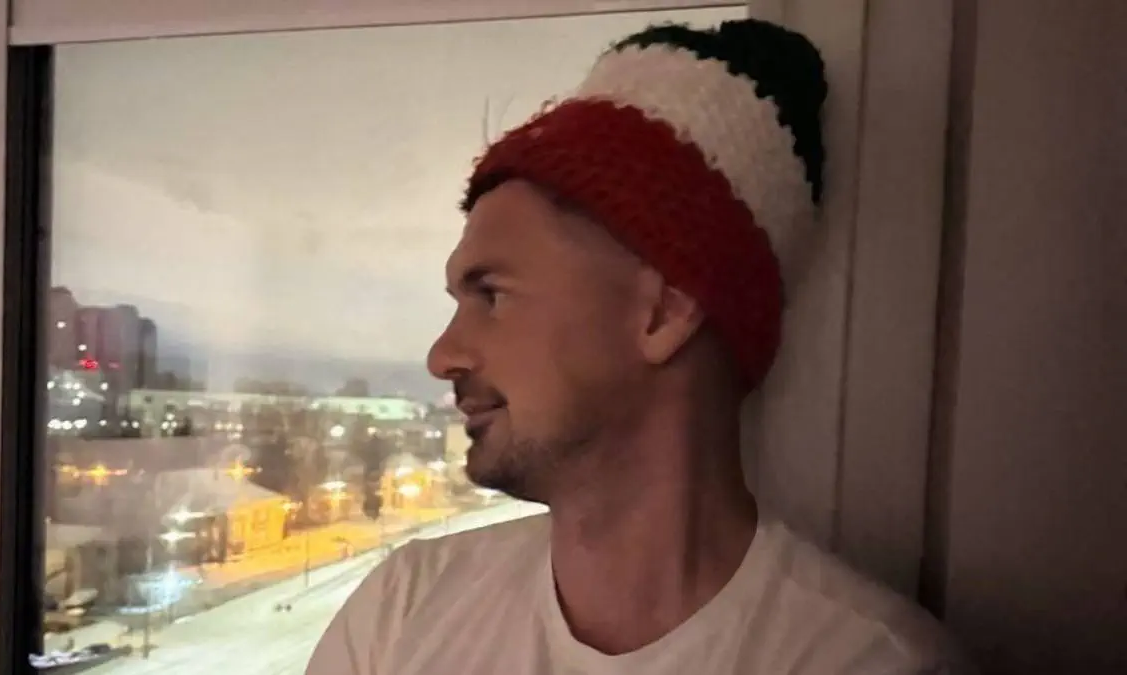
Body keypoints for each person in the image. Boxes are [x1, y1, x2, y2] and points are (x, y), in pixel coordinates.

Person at [307, 18, 969, 675]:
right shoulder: (402, 610)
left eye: (492, 295)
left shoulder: (866, 662)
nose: (442, 356)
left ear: (663, 311)